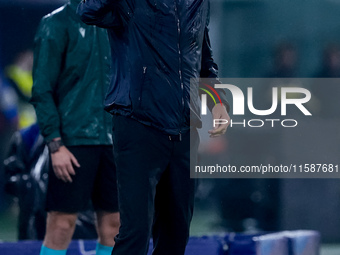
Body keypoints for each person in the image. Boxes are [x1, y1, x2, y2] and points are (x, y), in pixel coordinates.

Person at [77, 1, 230, 255]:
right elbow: (88, 10)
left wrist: (217, 101)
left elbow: (204, 59)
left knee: (176, 233)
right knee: (134, 235)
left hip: (185, 131)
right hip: (138, 126)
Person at [30, 1, 120, 254]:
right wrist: (55, 144)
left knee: (115, 225)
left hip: (116, 140)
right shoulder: (55, 24)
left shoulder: (120, 21)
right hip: (73, 140)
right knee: (61, 224)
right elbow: (41, 90)